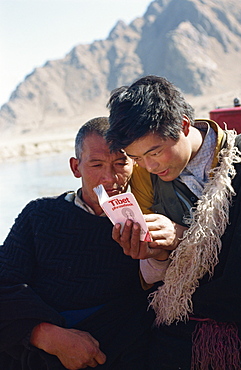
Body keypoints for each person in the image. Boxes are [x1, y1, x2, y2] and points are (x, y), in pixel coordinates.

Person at [106, 75, 241, 369]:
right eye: (137, 158)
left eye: (154, 152)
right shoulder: (145, 178)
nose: (150, 165)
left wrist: (185, 239)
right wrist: (155, 251)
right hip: (180, 330)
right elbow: (153, 276)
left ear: (183, 126)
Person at [0, 117, 155, 370]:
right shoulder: (39, 215)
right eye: (96, 164)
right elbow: (5, 283)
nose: (109, 177)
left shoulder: (148, 219)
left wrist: (155, 253)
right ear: (76, 167)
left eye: (120, 163)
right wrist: (46, 335)